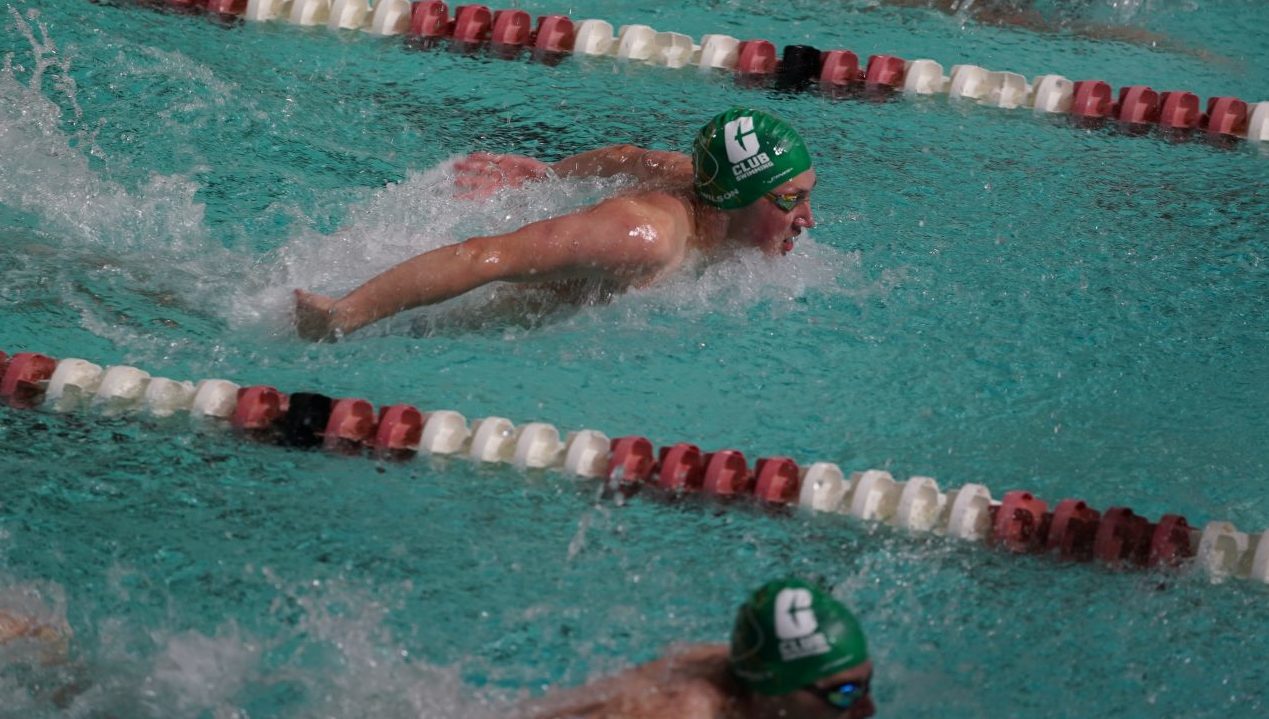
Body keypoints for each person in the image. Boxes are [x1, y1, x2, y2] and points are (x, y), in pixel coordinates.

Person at [294, 107, 817, 340]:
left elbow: (627, 155)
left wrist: (547, 175)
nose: (807, 220)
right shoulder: (643, 237)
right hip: (444, 321)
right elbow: (486, 257)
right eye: (791, 200)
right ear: (735, 200)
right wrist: (347, 313)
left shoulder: (702, 178)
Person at [512, 578, 875, 719]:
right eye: (844, 694)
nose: (868, 708)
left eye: (865, 683)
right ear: (774, 686)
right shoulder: (684, 713)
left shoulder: (747, 669)